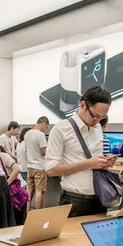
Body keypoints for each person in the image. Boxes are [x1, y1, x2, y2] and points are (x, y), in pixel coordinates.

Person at [46, 86, 116, 217]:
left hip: (100, 197)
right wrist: (88, 163)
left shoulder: (97, 128)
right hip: (75, 200)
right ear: (82, 104)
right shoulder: (61, 129)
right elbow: (51, 170)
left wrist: (105, 161)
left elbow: (95, 161)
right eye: (95, 116)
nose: (97, 121)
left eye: (102, 117)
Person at [25, 116, 50, 212]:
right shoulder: (40, 135)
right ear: (43, 124)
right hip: (39, 167)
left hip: (30, 166)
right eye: (46, 127)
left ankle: (27, 213)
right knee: (39, 191)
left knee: (29, 190)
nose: (45, 129)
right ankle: (38, 213)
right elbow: (43, 152)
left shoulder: (27, 134)